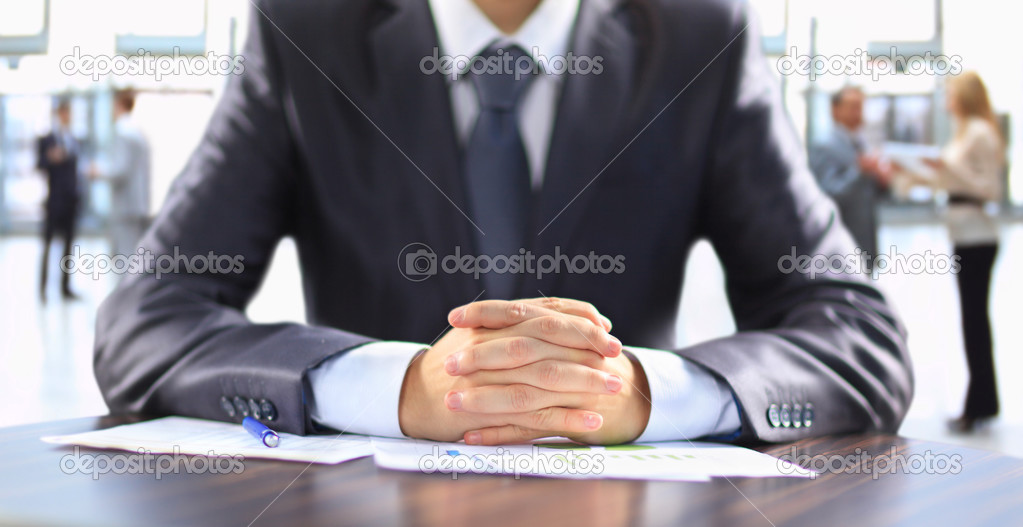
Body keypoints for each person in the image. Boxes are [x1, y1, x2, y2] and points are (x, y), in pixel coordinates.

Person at [94, 0, 913, 446]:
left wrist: (635, 392)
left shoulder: (700, 33)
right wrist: (399, 387)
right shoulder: (303, 29)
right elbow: (145, 321)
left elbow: (856, 333)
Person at [895, 71, 1004, 433]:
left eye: (951, 92)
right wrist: (914, 174)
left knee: (975, 321)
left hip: (978, 238)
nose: (947, 98)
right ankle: (981, 403)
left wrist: (947, 167)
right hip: (963, 235)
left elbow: (989, 188)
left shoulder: (980, 133)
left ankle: (979, 405)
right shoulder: (963, 132)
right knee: (971, 321)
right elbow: (950, 180)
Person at [809, 86, 893, 270]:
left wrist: (883, 181)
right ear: (835, 110)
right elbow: (827, 193)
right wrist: (859, 172)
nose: (858, 112)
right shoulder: (824, 146)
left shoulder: (861, 143)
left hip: (864, 241)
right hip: (839, 244)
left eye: (861, 106)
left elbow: (870, 194)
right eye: (853, 106)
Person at [90, 89, 151, 263]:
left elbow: (120, 169)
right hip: (137, 203)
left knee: (125, 257)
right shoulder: (136, 131)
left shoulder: (122, 131)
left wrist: (98, 171)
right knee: (133, 254)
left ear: (118, 104)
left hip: (125, 205)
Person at [37, 99, 81, 302]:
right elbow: (39, 164)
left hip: (71, 200)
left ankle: (65, 288)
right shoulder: (46, 140)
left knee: (68, 246)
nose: (67, 117)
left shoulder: (74, 139)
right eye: (64, 113)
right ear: (58, 114)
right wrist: (50, 158)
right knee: (47, 245)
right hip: (54, 201)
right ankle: (43, 289)